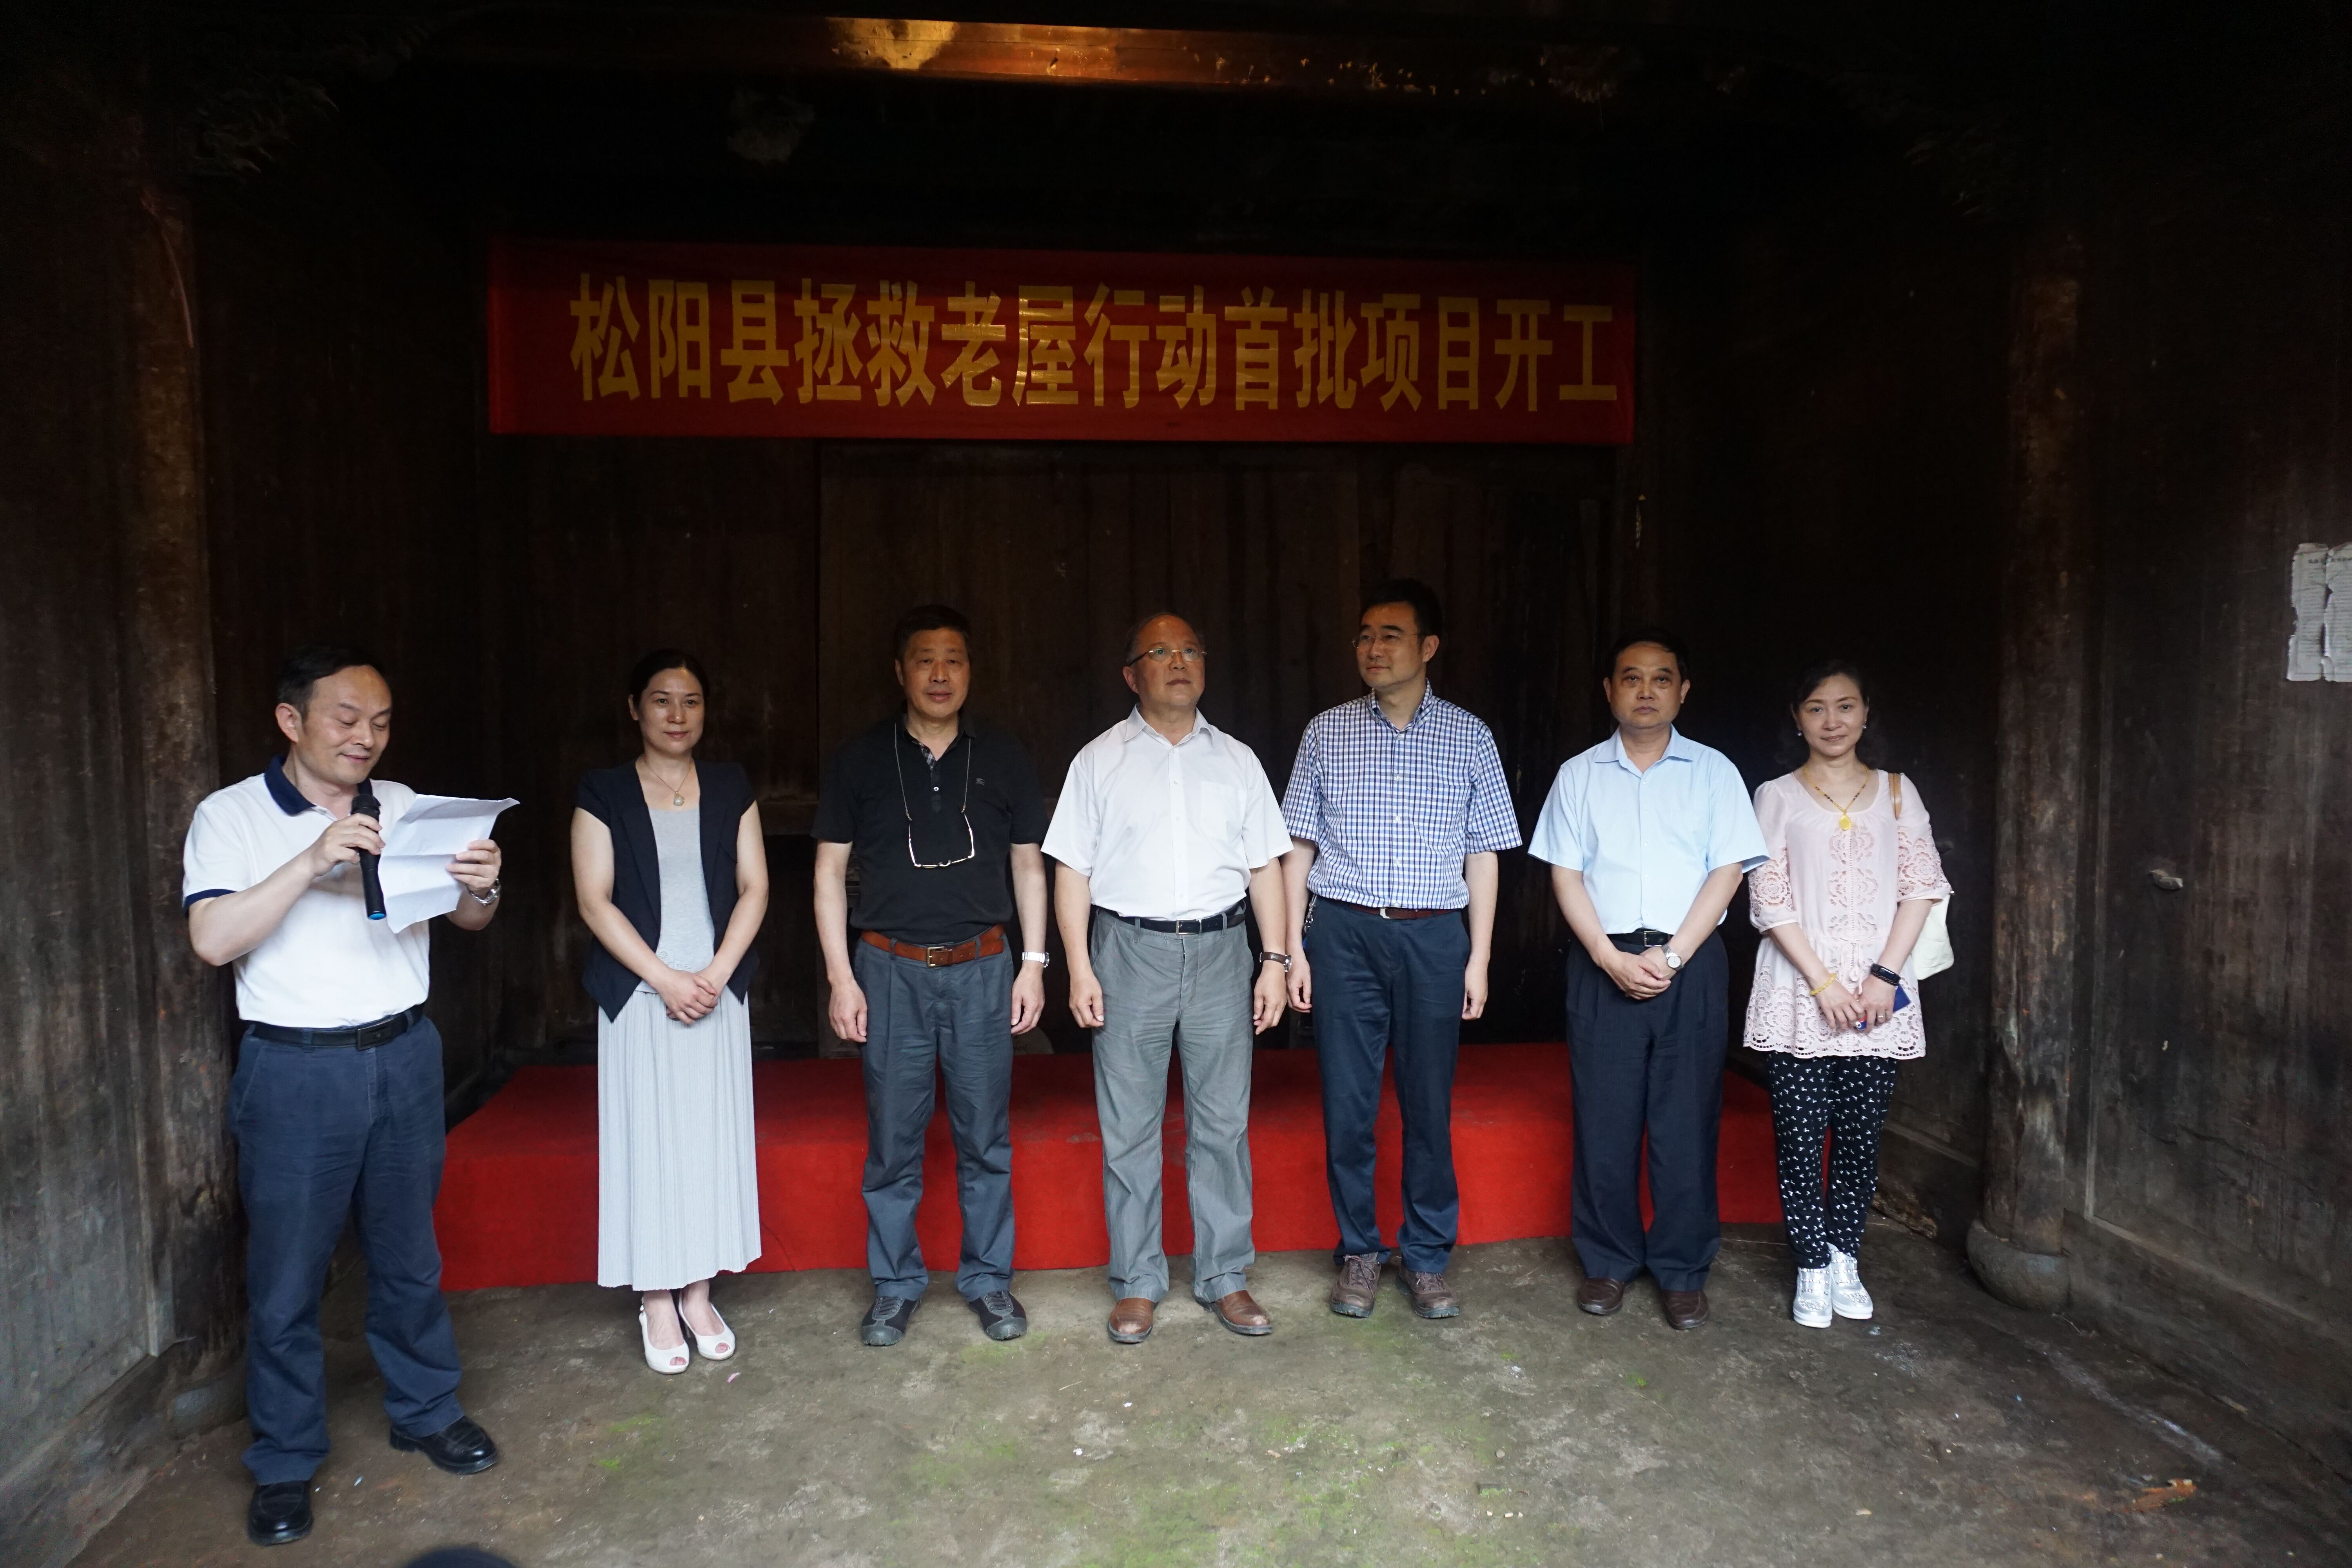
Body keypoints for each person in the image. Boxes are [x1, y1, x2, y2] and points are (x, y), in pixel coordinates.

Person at [183, 646, 506, 1548]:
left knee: (408, 1252)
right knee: (287, 1275)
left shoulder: (405, 805)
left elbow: (467, 918)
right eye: (347, 717)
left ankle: (427, 1408)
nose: (367, 736)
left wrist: (481, 886)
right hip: (296, 1067)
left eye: (382, 721)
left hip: (403, 1051)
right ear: (291, 720)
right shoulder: (231, 815)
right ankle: (285, 1458)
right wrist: (309, 860)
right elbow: (212, 939)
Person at [1044, 612, 1292, 1344]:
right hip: (1129, 950)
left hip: (1222, 951)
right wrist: (1079, 966)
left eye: (1189, 650)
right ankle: (1137, 1281)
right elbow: (1072, 871)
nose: (1178, 662)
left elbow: (1265, 869)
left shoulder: (1238, 761)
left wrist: (1275, 960)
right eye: (1160, 652)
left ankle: (1225, 1275)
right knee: (1129, 1126)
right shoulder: (1098, 761)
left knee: (1223, 1123)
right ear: (1132, 675)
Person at [1279, 579, 1521, 1321]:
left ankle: (1425, 1256)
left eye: (1390, 635)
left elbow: (1485, 853)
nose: (1373, 648)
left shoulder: (1470, 736)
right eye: (1364, 635)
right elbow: (1298, 847)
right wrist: (1292, 948)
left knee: (1427, 1102)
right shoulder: (1326, 732)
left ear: (1429, 647)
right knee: (1348, 1104)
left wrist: (1479, 957)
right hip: (1344, 932)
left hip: (1434, 935)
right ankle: (1359, 1249)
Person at [813, 606, 1051, 1347]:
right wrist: (841, 978)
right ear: (900, 672)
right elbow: (827, 874)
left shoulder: (1004, 755)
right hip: (890, 969)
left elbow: (1028, 865)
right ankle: (895, 1286)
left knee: (985, 1138)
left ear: (970, 671)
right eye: (925, 659)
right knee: (894, 1142)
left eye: (953, 659)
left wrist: (1034, 965)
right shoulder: (859, 760)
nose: (940, 674)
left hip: (983, 966)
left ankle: (988, 1280)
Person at [1527, 628, 1768, 1330]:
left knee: (1685, 1122)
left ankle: (1682, 1268)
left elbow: (1728, 871)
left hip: (1688, 963)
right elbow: (1565, 875)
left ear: (1682, 691)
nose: (1645, 691)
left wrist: (1674, 956)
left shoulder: (1714, 772)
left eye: (1661, 679)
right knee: (1604, 1120)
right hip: (1602, 960)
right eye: (1631, 678)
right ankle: (1607, 1261)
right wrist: (1607, 957)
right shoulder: (1578, 775)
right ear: (1609, 690)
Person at [572, 650, 769, 1373]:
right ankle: (656, 1297)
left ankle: (698, 1293)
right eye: (661, 700)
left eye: (691, 701)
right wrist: (665, 979)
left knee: (707, 1142)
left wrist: (713, 976)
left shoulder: (731, 785)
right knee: (647, 1145)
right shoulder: (603, 792)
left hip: (716, 994)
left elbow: (755, 887)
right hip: (639, 997)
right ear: (635, 709)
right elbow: (594, 900)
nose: (677, 715)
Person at [1744, 660, 1952, 1327]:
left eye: (1845, 706)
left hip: (1877, 995)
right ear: (1797, 718)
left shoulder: (1897, 791)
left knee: (1861, 1138)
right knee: (1801, 1137)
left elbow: (1922, 886)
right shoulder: (1776, 795)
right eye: (1816, 708)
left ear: (1866, 714)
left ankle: (1844, 1257)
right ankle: (1810, 1264)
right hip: (1800, 988)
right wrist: (1824, 983)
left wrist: (1884, 977)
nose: (1831, 721)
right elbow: (1768, 898)